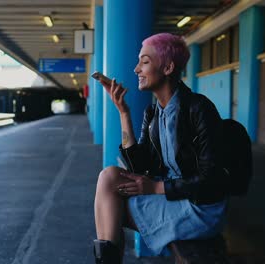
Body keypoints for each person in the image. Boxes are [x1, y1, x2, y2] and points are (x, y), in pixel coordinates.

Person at [93, 33, 228, 264]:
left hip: (199, 206)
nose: (136, 69)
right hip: (170, 196)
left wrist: (156, 187)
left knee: (109, 211)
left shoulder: (199, 109)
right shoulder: (153, 113)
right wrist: (123, 112)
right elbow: (140, 166)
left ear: (167, 68)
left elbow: (212, 180)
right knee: (109, 177)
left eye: (144, 62)